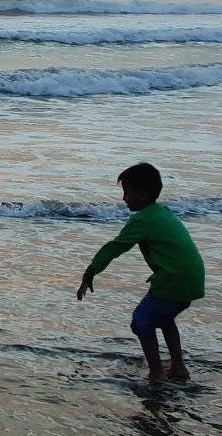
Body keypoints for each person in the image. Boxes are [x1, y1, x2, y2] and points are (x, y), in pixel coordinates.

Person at [77, 163, 206, 382]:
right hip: (192, 277)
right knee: (164, 318)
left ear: (143, 194)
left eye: (127, 192)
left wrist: (90, 272)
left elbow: (115, 247)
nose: (124, 198)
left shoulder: (143, 219)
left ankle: (157, 373)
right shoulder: (162, 211)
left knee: (141, 320)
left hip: (173, 279)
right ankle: (178, 367)